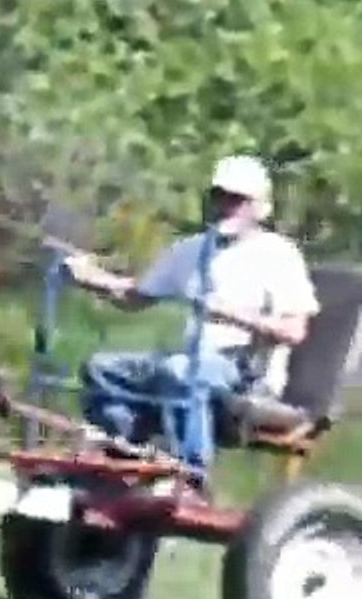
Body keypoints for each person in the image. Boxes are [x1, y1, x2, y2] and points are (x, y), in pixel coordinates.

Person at [63, 154, 320, 496]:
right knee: (102, 369)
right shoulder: (192, 250)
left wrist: (230, 313)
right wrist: (90, 277)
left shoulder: (279, 254)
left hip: (245, 373)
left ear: (262, 208)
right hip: (189, 360)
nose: (227, 206)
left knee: (179, 371)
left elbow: (294, 330)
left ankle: (191, 476)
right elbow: (135, 296)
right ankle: (123, 457)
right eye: (220, 196)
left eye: (238, 200)